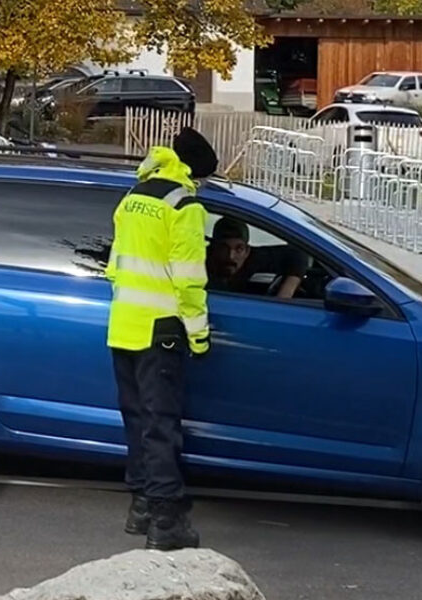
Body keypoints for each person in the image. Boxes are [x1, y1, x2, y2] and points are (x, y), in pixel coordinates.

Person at [105, 126, 216, 551]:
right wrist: (200, 336)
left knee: (135, 419)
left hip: (123, 323)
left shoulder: (133, 198)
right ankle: (167, 522)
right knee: (161, 423)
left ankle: (141, 507)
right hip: (161, 329)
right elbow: (189, 281)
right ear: (193, 172)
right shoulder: (183, 206)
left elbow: (116, 265)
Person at [207, 217, 307, 299]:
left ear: (247, 251)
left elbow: (298, 254)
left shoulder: (255, 259)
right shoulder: (198, 261)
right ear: (213, 248)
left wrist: (284, 296)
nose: (231, 256)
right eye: (224, 248)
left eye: (239, 249)